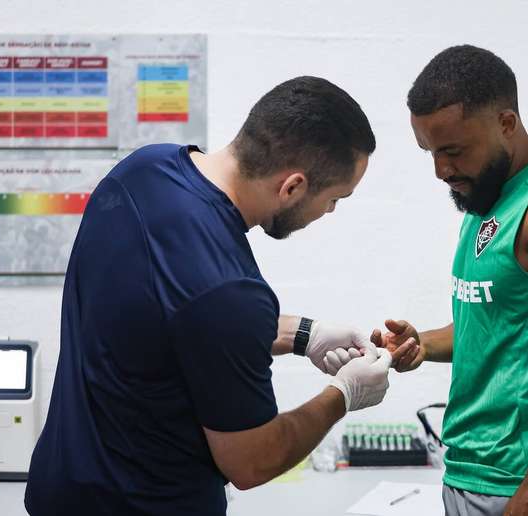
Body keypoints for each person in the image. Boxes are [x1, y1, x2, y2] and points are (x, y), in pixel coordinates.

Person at [25, 76, 392, 516]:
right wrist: (345, 393)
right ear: (292, 186)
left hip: (60, 491)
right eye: (336, 199)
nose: (330, 212)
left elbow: (172, 319)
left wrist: (304, 334)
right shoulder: (231, 290)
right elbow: (252, 461)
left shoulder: (141, 172)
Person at [372, 45, 528, 516]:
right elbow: (494, 326)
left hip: (527, 481)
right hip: (471, 470)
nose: (441, 171)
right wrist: (422, 342)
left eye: (454, 151)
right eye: (430, 152)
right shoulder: (487, 200)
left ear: (507, 124)